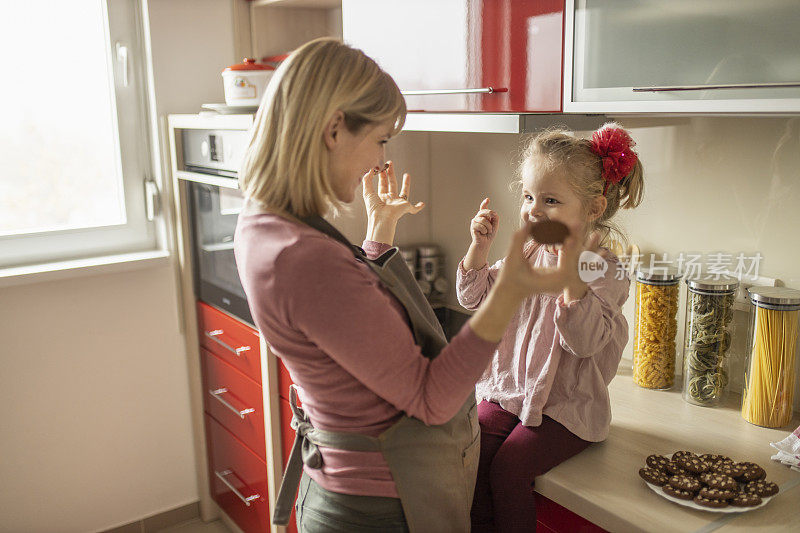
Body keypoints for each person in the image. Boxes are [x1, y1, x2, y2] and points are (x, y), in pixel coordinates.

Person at [234, 37, 592, 533]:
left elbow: (344, 322)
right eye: (380, 140)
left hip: (351, 487)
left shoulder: (266, 223)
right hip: (381, 507)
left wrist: (377, 239)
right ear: (335, 128)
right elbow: (433, 398)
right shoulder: (301, 255)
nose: (379, 160)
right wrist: (509, 289)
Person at [458, 124, 645, 532]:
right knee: (470, 453)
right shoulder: (527, 251)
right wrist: (479, 248)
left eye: (551, 200)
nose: (533, 209)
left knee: (509, 468)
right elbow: (474, 299)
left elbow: (583, 343)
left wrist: (573, 286)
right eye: (528, 196)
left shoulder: (602, 269)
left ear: (594, 208)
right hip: (512, 392)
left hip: (566, 409)